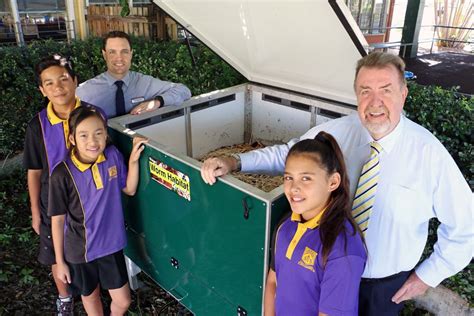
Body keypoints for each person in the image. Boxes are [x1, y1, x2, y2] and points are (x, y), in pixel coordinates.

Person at [201, 52, 473, 315]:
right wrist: (235, 161)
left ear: (403, 94)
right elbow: (290, 154)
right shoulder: (341, 130)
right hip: (321, 270)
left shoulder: (429, 154)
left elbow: (465, 227)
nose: (375, 101)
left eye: (386, 90)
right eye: (365, 90)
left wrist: (426, 276)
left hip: (380, 289)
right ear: (356, 96)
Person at [23, 54, 106, 315]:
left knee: (86, 248)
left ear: (75, 81)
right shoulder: (37, 126)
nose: (58, 88)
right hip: (53, 203)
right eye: (49, 83)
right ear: (42, 90)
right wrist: (36, 212)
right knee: (54, 253)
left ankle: (92, 289)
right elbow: (34, 172)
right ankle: (64, 297)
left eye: (63, 79)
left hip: (90, 202)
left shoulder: (94, 114)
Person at [48, 106, 147, 315]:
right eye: (83, 135)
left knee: (123, 301)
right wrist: (60, 261)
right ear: (72, 138)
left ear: (105, 134)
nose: (92, 142)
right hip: (80, 249)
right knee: (90, 295)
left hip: (111, 244)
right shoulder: (62, 174)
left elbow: (128, 189)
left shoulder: (112, 156)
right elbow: (57, 221)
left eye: (98, 133)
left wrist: (134, 161)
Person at [264, 132, 366, 316]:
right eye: (288, 177)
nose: (294, 187)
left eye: (306, 178)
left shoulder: (342, 249)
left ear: (333, 182)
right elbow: (273, 281)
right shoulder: (286, 224)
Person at [76, 30, 192, 118]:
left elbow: (183, 90)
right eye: (112, 52)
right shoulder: (86, 91)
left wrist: (157, 102)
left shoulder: (144, 82)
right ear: (104, 54)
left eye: (124, 52)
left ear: (131, 54)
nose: (119, 58)